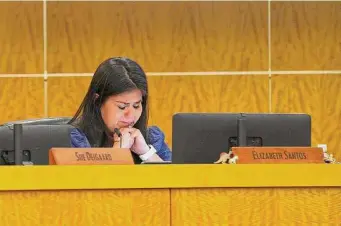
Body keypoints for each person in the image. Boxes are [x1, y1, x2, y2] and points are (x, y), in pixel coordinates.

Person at [68, 57, 172, 163]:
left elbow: (177, 178)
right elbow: (89, 179)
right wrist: (117, 153)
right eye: (122, 107)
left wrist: (146, 153)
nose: (131, 116)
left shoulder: (152, 138)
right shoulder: (74, 140)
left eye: (136, 106)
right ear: (97, 101)